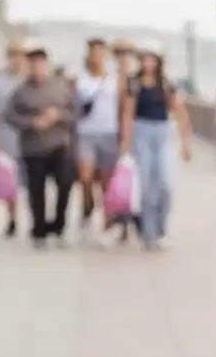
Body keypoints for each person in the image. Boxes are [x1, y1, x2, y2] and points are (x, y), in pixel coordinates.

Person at [3, 43, 79, 246]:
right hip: (33, 147)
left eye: (40, 64)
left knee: (65, 183)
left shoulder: (62, 86)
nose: (37, 68)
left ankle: (59, 225)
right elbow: (9, 116)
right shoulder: (21, 92)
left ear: (47, 64)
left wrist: (59, 115)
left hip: (59, 145)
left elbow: (76, 113)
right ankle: (39, 230)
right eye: (33, 64)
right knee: (36, 190)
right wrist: (31, 123)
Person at [118, 48, 193, 250]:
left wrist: (186, 142)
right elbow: (127, 114)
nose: (148, 64)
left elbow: (180, 111)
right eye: (145, 60)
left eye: (152, 60)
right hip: (141, 131)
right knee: (146, 185)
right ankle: (148, 232)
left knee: (165, 183)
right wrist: (125, 143)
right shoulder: (135, 84)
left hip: (162, 132)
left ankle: (161, 224)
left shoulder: (166, 84)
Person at [73, 37, 122, 231]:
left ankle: (107, 218)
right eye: (93, 52)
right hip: (86, 133)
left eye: (100, 52)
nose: (96, 56)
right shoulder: (80, 78)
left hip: (109, 132)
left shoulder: (115, 79)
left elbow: (123, 107)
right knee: (85, 177)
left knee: (106, 180)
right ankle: (88, 206)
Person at [0, 43, 30, 237]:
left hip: (30, 137)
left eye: (20, 56)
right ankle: (12, 217)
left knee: (31, 181)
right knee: (9, 181)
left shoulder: (30, 80)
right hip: (7, 136)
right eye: (13, 56)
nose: (16, 60)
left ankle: (34, 217)